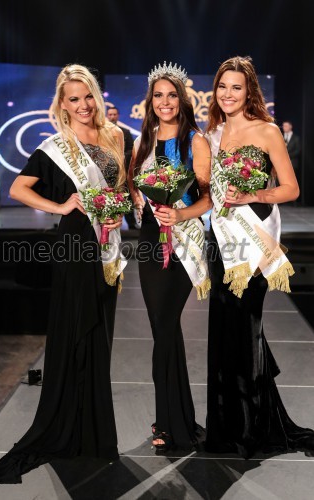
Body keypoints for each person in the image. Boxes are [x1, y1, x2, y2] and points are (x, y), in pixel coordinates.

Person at [0, 64, 127, 484]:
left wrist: (121, 204)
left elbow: (120, 188)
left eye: (88, 96)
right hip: (75, 246)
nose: (83, 105)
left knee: (100, 334)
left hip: (107, 244)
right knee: (76, 330)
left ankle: (95, 433)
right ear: (62, 105)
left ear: (96, 97)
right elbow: (18, 188)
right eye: (73, 99)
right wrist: (63, 206)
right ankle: (67, 425)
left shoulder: (115, 136)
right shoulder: (54, 146)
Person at [205, 55, 314, 458]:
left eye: (236, 87)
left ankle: (250, 429)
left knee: (247, 326)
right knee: (224, 328)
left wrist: (254, 194)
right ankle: (226, 423)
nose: (228, 94)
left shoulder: (266, 131)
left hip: (254, 241)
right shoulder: (213, 132)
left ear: (249, 91)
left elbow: (291, 188)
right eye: (222, 86)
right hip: (221, 242)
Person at [128, 61, 212, 453]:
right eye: (158, 95)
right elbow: (133, 182)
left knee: (166, 324)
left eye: (172, 94)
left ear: (182, 99)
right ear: (151, 101)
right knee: (161, 328)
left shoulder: (195, 140)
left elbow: (209, 196)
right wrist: (139, 204)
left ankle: (171, 422)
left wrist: (179, 213)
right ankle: (175, 419)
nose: (165, 102)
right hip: (149, 239)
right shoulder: (142, 140)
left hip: (184, 238)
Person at [107, 106, 137, 229]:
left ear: (118, 115)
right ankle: (108, 221)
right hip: (107, 171)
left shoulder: (125, 131)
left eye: (114, 114)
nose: (112, 116)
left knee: (127, 196)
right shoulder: (101, 132)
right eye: (110, 114)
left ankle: (131, 223)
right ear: (107, 116)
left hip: (123, 170)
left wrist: (121, 157)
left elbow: (131, 149)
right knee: (108, 196)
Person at [282, 120, 301, 196]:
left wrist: (287, 156)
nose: (284, 127)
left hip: (292, 163)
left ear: (290, 126)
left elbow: (298, 151)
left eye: (286, 126)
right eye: (283, 126)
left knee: (292, 181)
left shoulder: (296, 138)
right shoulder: (280, 136)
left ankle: (293, 200)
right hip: (281, 164)